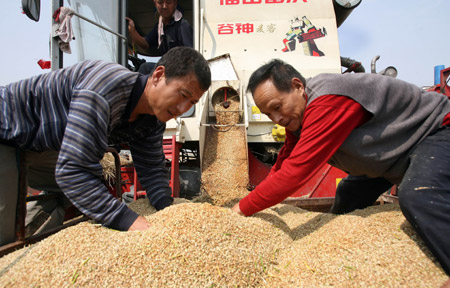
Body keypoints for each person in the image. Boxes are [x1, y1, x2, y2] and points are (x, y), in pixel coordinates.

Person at [231, 59, 450, 278]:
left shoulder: (328, 101)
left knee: (419, 196)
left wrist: (241, 209)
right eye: (269, 114)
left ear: (298, 86)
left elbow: (295, 173)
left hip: (435, 131)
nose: (277, 119)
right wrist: (257, 197)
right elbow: (284, 163)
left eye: (277, 107)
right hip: (392, 155)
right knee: (348, 194)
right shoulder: (298, 117)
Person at [0, 46, 211, 246]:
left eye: (192, 103)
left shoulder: (153, 120)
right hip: (7, 129)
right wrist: (130, 222)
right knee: (4, 232)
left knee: (69, 196)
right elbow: (73, 171)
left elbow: (152, 170)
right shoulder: (105, 88)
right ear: (158, 76)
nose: (183, 108)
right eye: (183, 95)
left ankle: (29, 235)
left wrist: (168, 210)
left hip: (42, 145)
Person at [126, 0, 193, 74]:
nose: (164, 6)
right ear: (155, 4)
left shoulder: (182, 25)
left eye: (168, 2)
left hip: (178, 71)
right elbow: (145, 43)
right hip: (167, 68)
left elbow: (191, 55)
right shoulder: (159, 26)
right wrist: (132, 31)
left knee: (145, 68)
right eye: (160, 2)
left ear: (175, 3)